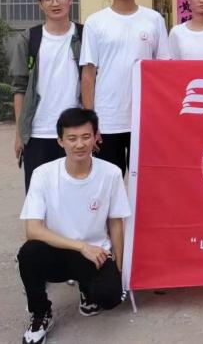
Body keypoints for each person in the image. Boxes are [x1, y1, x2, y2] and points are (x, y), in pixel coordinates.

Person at [17, 108, 130, 344]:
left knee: (110, 297)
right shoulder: (43, 174)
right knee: (29, 253)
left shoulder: (111, 173)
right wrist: (81, 247)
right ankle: (41, 313)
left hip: (96, 254)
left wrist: (119, 269)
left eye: (86, 137)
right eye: (72, 138)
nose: (80, 144)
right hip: (59, 251)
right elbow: (33, 230)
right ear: (60, 141)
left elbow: (115, 222)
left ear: (96, 137)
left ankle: (87, 291)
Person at [80, 0, 170, 175]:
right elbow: (88, 75)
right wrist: (91, 120)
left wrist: (161, 116)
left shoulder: (154, 19)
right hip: (108, 118)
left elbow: (164, 70)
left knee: (146, 181)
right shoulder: (95, 22)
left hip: (144, 117)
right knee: (110, 181)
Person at [9, 0, 82, 192]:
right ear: (40, 4)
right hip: (38, 132)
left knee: (75, 193)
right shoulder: (29, 39)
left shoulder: (85, 36)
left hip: (75, 133)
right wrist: (19, 134)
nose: (55, 3)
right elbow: (19, 88)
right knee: (38, 195)